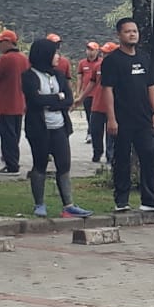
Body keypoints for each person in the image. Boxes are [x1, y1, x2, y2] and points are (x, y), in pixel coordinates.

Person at [101, 18, 154, 212]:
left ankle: (149, 199)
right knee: (122, 159)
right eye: (128, 31)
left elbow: (151, 86)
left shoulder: (144, 58)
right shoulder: (112, 61)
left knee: (149, 155)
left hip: (143, 119)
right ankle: (121, 200)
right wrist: (111, 118)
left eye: (135, 31)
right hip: (122, 120)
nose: (132, 34)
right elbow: (107, 90)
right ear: (119, 35)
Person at [21, 38, 93, 219]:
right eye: (54, 53)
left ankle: (68, 205)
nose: (57, 57)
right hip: (39, 128)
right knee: (40, 164)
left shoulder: (59, 75)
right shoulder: (29, 76)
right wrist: (56, 98)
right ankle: (39, 204)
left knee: (64, 164)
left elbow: (68, 99)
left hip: (59, 126)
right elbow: (35, 101)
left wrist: (54, 99)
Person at [0, 29, 29, 174]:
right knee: (15, 134)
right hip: (20, 103)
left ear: (7, 42)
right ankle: (13, 160)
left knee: (7, 135)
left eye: (1, 42)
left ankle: (11, 164)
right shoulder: (24, 58)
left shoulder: (5, 59)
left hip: (6, 104)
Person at [75, 42, 102, 143]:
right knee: (88, 114)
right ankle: (90, 132)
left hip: (98, 94)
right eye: (88, 49)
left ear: (97, 51)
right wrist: (78, 92)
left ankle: (92, 133)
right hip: (87, 94)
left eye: (92, 50)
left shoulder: (101, 62)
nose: (90, 52)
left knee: (95, 116)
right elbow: (79, 78)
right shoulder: (82, 63)